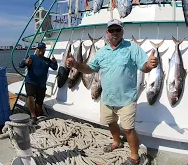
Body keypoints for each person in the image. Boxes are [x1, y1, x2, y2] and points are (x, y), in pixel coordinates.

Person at [66, 19, 158, 165]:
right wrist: (76, 64)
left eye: (117, 30)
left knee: (128, 129)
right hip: (107, 98)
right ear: (107, 33)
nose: (114, 33)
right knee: (110, 122)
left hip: (126, 99)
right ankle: (117, 142)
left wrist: (150, 64)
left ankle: (134, 157)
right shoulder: (102, 52)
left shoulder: (132, 48)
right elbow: (89, 69)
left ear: (122, 31)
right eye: (111, 30)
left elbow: (144, 67)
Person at [19, 42, 58, 125]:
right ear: (36, 49)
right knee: (30, 96)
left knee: (39, 102)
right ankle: (33, 116)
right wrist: (25, 63)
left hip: (42, 84)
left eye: (43, 49)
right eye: (39, 49)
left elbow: (55, 68)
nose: (41, 50)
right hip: (31, 82)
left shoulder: (47, 60)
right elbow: (20, 65)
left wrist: (55, 62)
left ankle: (38, 115)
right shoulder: (31, 57)